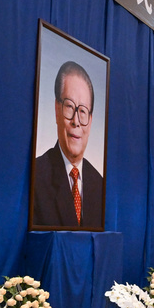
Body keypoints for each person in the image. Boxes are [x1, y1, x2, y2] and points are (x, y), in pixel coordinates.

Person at [32, 61, 104, 229]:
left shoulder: (99, 184)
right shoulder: (37, 176)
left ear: (90, 121)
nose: (76, 121)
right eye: (70, 107)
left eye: (83, 111)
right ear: (57, 110)